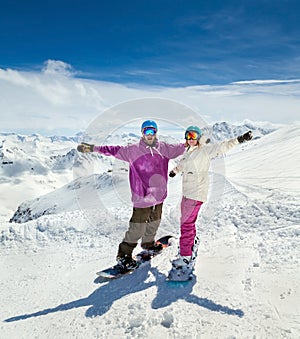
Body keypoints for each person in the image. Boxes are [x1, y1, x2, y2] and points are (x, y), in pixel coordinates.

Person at [77, 120, 186, 270]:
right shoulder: (132, 150)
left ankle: (148, 244)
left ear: (156, 132)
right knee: (137, 228)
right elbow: (111, 149)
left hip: (159, 196)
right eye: (146, 131)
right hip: (142, 197)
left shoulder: (165, 148)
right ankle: (124, 256)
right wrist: (92, 148)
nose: (149, 134)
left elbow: (182, 148)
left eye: (152, 131)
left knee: (155, 222)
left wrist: (195, 141)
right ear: (142, 133)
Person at [169, 125, 253, 268]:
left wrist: (240, 139)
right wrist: (174, 171)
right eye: (188, 136)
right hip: (187, 193)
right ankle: (191, 243)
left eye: (194, 136)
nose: (191, 139)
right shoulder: (188, 153)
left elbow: (223, 146)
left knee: (186, 224)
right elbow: (182, 165)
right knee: (187, 222)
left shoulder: (204, 151)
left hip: (196, 193)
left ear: (199, 138)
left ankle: (185, 256)